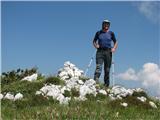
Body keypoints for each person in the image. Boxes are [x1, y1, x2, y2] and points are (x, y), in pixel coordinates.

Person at [93, 19, 118, 87]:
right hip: (100, 51)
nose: (106, 25)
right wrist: (96, 45)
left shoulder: (111, 33)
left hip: (108, 52)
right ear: (103, 24)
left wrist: (114, 48)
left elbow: (115, 42)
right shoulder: (98, 33)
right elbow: (94, 41)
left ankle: (106, 85)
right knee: (99, 67)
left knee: (107, 69)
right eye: (105, 24)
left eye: (108, 24)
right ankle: (95, 81)